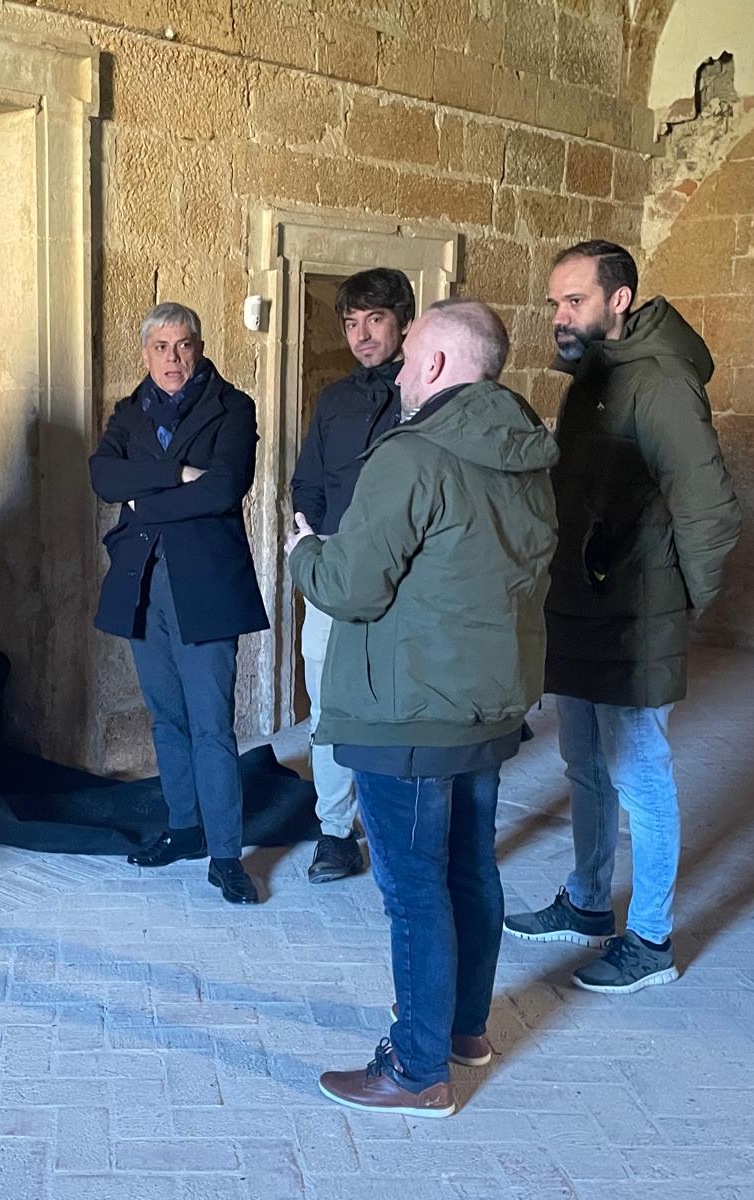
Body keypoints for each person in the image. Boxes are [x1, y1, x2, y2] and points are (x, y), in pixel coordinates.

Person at [287, 298, 559, 1118]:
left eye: (407, 358)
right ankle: (464, 1031)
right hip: (486, 704)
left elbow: (350, 589)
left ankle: (415, 1070)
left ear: (437, 364)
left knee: (413, 892)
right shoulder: (529, 453)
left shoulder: (412, 456)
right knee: (470, 870)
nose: (398, 371)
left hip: (407, 711)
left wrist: (305, 553)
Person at [504, 241, 740, 993]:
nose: (559, 316)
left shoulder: (661, 383)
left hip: (635, 619)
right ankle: (586, 901)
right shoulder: (593, 379)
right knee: (585, 766)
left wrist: (679, 605)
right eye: (554, 303)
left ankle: (651, 940)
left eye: (574, 300)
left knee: (640, 777)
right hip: (581, 609)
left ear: (620, 300)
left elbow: (711, 513)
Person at [90, 302, 271, 904]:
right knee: (166, 718)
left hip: (206, 585)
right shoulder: (128, 410)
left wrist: (145, 497)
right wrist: (176, 474)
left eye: (184, 345)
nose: (173, 358)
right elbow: (102, 479)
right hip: (143, 583)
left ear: (198, 346)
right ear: (145, 353)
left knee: (212, 726)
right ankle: (184, 827)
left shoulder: (232, 407)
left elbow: (223, 489)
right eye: (161, 347)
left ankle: (225, 856)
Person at [289, 267, 415, 884]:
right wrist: (308, 536)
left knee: (396, 704)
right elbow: (305, 481)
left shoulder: (425, 396)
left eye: (375, 320)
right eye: (352, 323)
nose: (362, 335)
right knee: (328, 705)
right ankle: (335, 833)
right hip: (336, 568)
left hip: (406, 572)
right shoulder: (334, 400)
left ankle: (395, 832)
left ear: (403, 323)